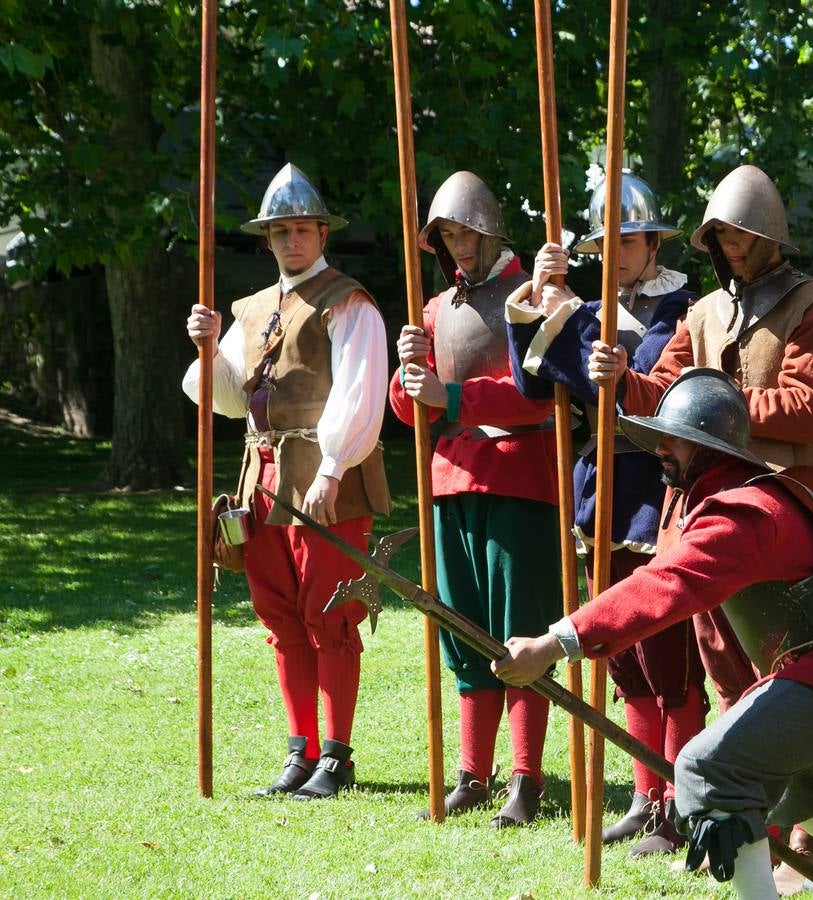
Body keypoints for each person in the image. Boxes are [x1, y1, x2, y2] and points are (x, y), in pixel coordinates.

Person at [490, 368, 813, 898]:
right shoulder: (734, 496)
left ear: (708, 450)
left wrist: (555, 642)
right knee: (784, 771)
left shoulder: (744, 512)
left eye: (676, 441)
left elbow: (665, 584)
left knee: (711, 765)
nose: (662, 449)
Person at [587, 163, 813, 886]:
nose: (730, 244)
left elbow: (807, 406)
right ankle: (753, 828)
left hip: (778, 516)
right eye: (720, 234)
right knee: (725, 669)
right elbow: (662, 395)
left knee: (788, 680)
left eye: (741, 232)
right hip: (704, 512)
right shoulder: (702, 312)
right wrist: (620, 379)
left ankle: (808, 840)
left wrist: (721, 409)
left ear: (767, 235)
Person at [506, 171, 705, 855]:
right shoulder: (587, 312)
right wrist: (538, 298)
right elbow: (531, 381)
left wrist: (612, 356)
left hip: (660, 491)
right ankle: (642, 793)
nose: (616, 250)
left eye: (629, 238)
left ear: (653, 242)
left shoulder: (685, 308)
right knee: (620, 656)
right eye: (605, 240)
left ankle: (679, 802)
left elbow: (674, 387)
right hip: (600, 493)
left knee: (668, 657)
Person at [182, 163, 390, 799]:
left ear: (323, 232)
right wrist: (208, 346)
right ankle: (299, 749)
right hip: (260, 480)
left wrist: (331, 469)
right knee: (279, 615)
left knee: (331, 614)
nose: (292, 239)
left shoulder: (348, 301)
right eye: (280, 231)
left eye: (302, 228)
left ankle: (336, 755)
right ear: (267, 240)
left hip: (327, 478)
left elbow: (360, 394)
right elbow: (224, 398)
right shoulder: (247, 310)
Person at [388, 171, 560, 827]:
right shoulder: (435, 309)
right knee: (460, 628)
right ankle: (473, 772)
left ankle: (524, 778)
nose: (458, 247)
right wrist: (409, 374)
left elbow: (540, 392)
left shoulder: (530, 295)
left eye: (466, 233)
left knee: (519, 629)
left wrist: (451, 396)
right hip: (449, 479)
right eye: (448, 237)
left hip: (518, 475)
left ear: (489, 230)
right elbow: (412, 415)